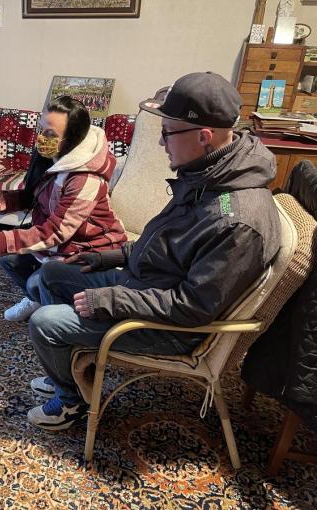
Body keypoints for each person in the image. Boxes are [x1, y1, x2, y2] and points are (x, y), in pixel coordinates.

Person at [25, 72, 281, 431]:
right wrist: (111, 257)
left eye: (167, 132)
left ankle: (71, 402)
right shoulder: (208, 174)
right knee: (51, 273)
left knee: (44, 323)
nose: (161, 143)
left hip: (170, 326)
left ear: (204, 136)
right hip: (146, 287)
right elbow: (164, 247)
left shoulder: (237, 220)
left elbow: (192, 308)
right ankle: (70, 370)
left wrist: (112, 300)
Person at [0, 95, 127, 322]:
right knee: (8, 261)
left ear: (72, 138)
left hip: (89, 250)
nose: (41, 138)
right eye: (41, 129)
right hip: (63, 245)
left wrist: (2, 239)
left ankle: (51, 310)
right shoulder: (53, 157)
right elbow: (38, 196)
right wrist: (9, 200)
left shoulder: (85, 178)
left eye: (50, 134)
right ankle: (36, 297)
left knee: (36, 279)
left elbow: (57, 231)